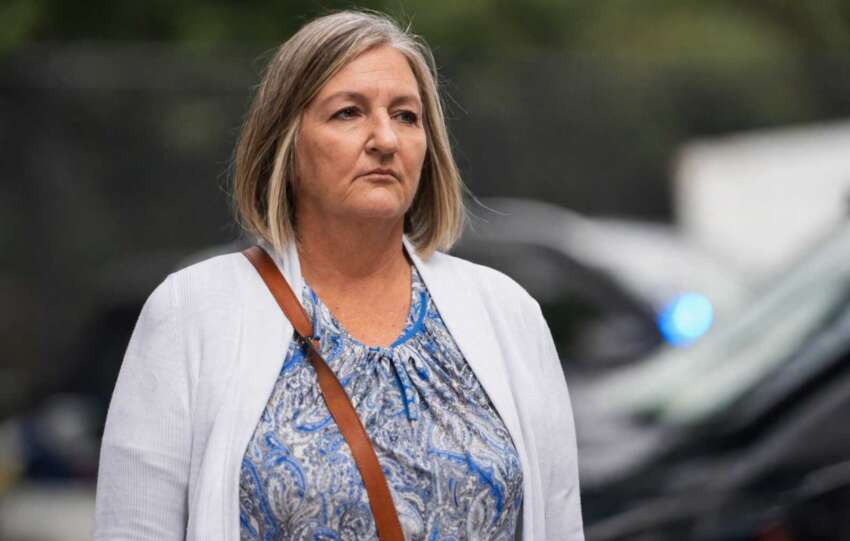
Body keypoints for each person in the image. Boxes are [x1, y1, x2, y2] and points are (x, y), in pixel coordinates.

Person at [93, 9, 583, 541]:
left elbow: (559, 524)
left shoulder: (506, 313)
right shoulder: (194, 309)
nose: (384, 139)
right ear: (286, 141)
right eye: (348, 113)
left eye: (406, 116)